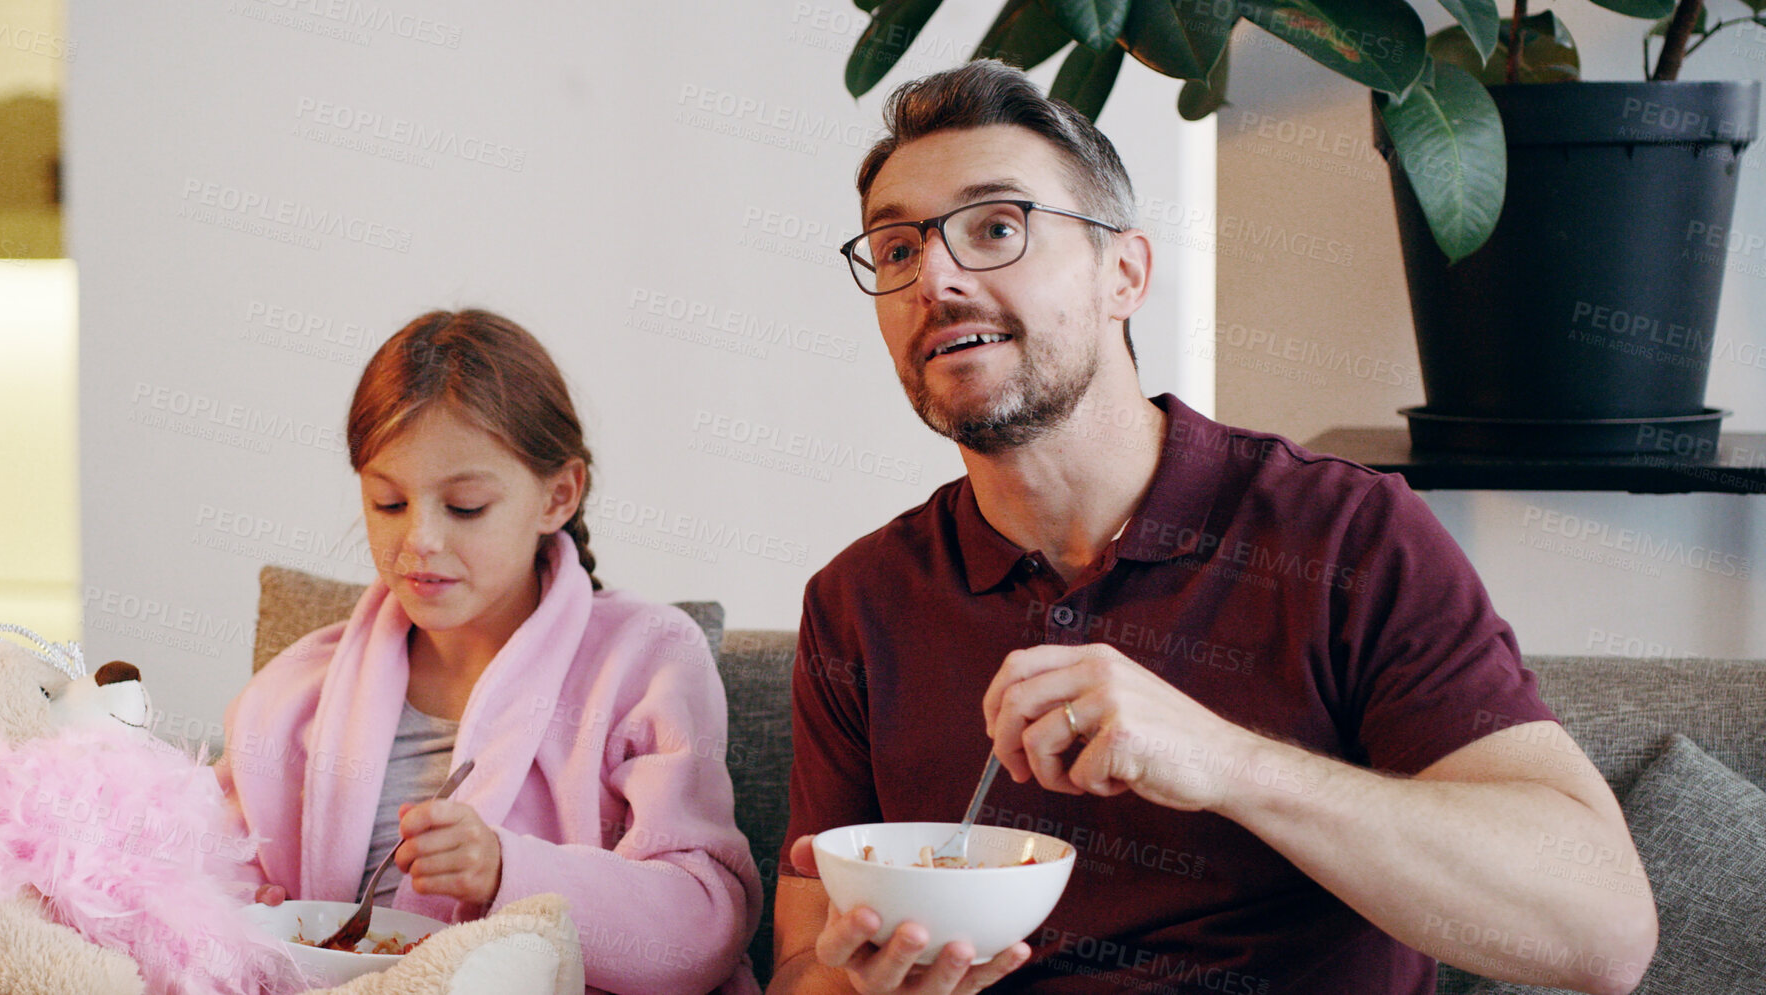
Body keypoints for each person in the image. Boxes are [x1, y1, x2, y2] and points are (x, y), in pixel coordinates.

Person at [771, 60, 1658, 995]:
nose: (935, 278)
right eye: (898, 248)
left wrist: (1223, 759)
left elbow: (1600, 932)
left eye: (997, 227)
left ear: (1125, 272)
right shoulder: (860, 599)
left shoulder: (1347, 535)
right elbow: (797, 969)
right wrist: (864, 985)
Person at [218, 309, 761, 995]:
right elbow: (207, 874)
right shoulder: (289, 694)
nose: (419, 539)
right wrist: (241, 920)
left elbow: (702, 928)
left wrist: (508, 872)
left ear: (557, 495)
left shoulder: (646, 658)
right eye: (388, 502)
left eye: (466, 506)